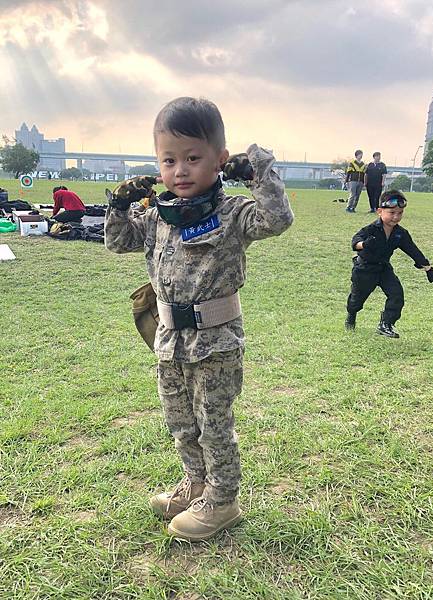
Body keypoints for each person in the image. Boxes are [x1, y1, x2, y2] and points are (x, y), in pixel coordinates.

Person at [104, 97, 294, 541]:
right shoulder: (157, 216)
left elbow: (277, 218)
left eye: (193, 158)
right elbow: (117, 242)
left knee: (213, 424)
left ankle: (222, 500)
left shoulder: (232, 214)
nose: (181, 171)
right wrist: (118, 205)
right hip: (168, 339)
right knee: (180, 421)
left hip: (216, 341)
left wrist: (258, 172)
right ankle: (195, 485)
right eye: (169, 160)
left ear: (219, 161)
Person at [345, 189, 433, 337]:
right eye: (392, 213)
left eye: (400, 213)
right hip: (364, 269)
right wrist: (364, 244)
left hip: (383, 268)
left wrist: (428, 268)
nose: (396, 217)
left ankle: (386, 324)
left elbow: (413, 251)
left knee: (397, 294)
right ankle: (351, 313)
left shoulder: (400, 233)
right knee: (357, 300)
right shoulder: (370, 229)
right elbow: (355, 242)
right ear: (380, 211)